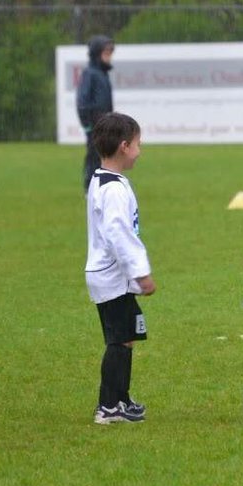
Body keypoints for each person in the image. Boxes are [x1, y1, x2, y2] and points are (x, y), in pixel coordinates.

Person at [84, 112, 156, 424]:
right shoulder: (112, 189)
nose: (140, 150)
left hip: (114, 276)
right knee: (117, 340)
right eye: (138, 144)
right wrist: (140, 272)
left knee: (126, 336)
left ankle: (121, 400)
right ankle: (107, 406)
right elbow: (118, 234)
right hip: (112, 276)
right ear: (124, 146)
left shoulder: (103, 179)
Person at [76, 35, 115, 193]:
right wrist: (87, 126)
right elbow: (82, 102)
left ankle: (101, 187)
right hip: (94, 125)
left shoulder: (103, 74)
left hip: (105, 125)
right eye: (106, 53)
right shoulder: (90, 73)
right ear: (97, 54)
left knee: (105, 156)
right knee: (93, 156)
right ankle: (90, 189)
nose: (109, 57)